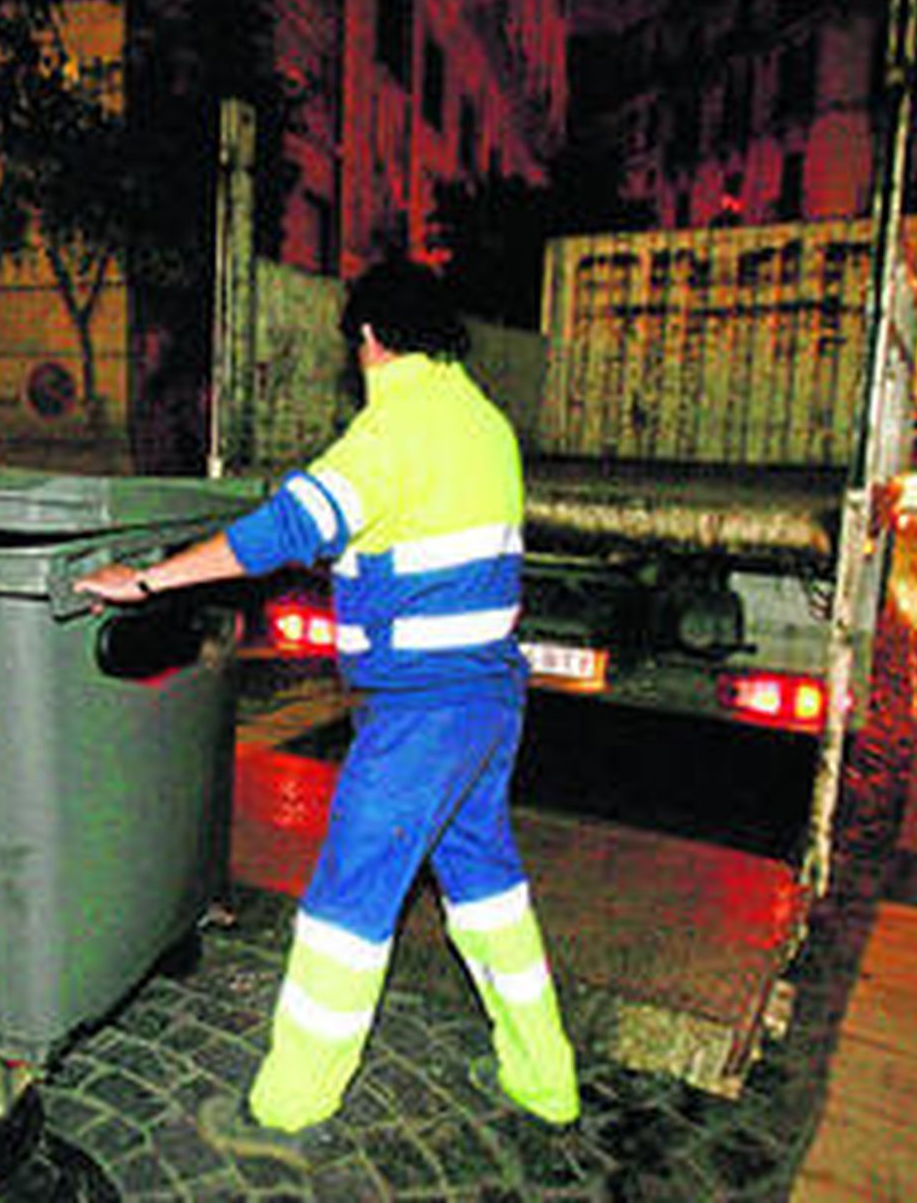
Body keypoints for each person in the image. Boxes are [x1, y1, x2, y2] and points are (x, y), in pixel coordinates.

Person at [74, 260, 579, 1168]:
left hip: (421, 716)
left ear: (371, 340)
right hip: (491, 701)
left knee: (347, 905)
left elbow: (278, 533)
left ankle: (288, 1103)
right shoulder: (486, 425)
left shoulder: (391, 432)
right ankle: (544, 1076)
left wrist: (146, 579)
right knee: (487, 889)